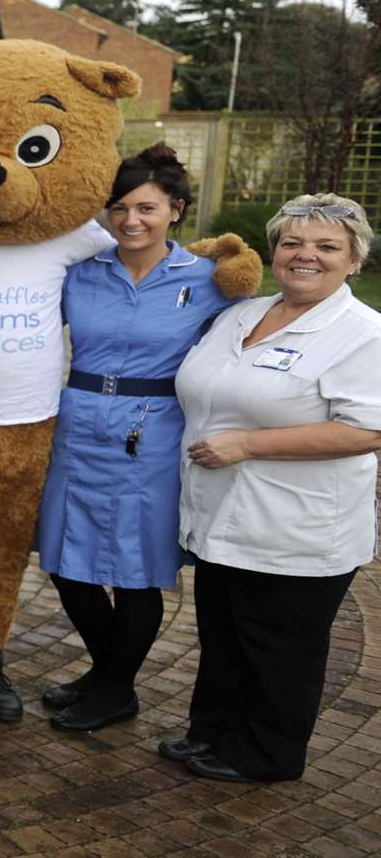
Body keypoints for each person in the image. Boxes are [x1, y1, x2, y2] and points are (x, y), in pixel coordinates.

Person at [165, 194, 381, 783]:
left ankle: (267, 756)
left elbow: (368, 430)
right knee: (225, 637)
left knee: (280, 650)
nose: (305, 255)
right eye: (292, 242)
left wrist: (247, 444)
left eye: (326, 246)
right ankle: (210, 733)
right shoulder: (241, 314)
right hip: (219, 514)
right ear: (274, 250)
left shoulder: (363, 333)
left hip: (298, 526)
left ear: (354, 260)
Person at [35, 145, 234, 732]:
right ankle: (106, 671)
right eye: (118, 208)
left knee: (136, 568)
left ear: (175, 208)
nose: (130, 221)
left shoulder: (208, 280)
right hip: (78, 422)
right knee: (66, 561)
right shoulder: (80, 273)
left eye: (146, 208)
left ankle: (117, 688)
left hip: (153, 433)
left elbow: (245, 347)